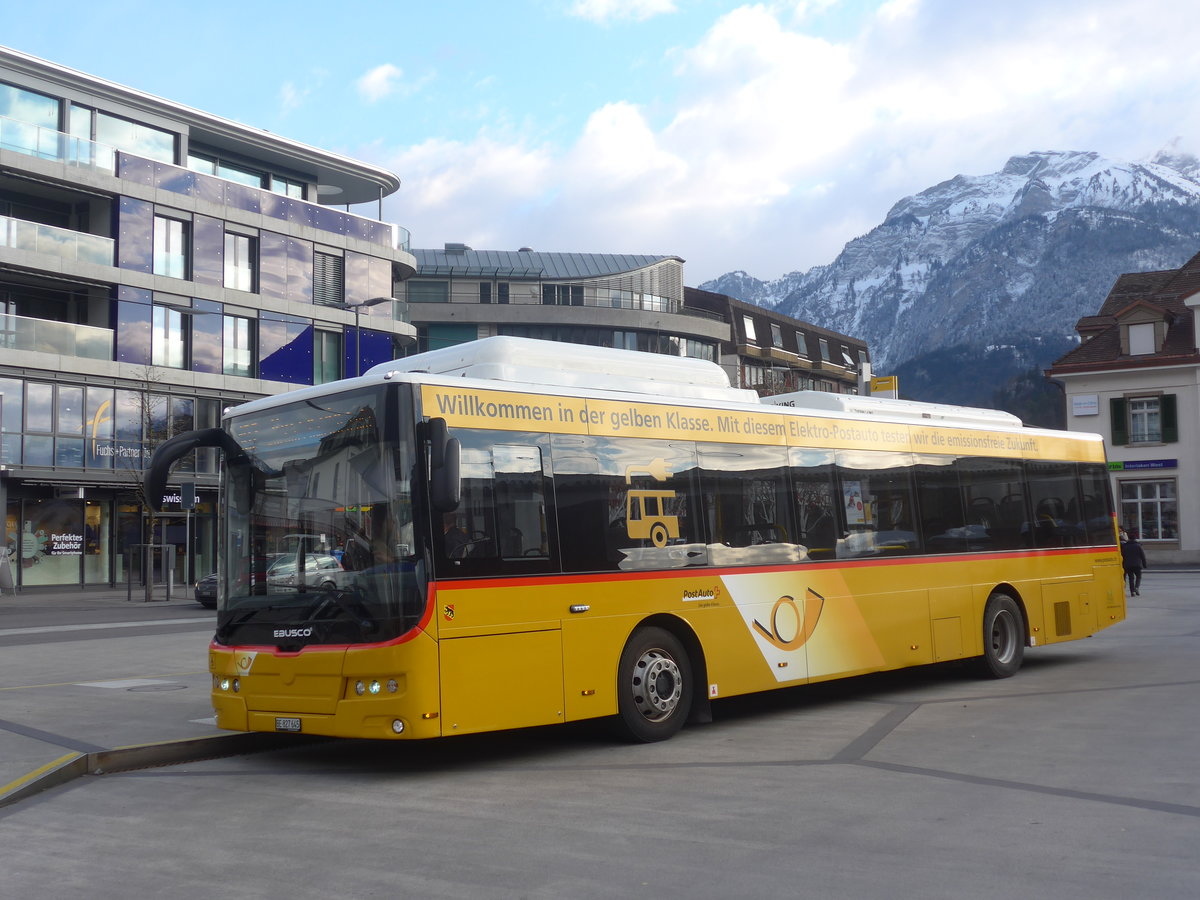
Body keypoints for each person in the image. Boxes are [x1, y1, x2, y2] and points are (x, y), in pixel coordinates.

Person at [1120, 530, 1147, 596]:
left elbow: (1122, 556)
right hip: (1137, 564)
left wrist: (1123, 564)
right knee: (1138, 577)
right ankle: (1136, 587)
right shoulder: (1138, 546)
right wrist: (1144, 564)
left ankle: (1132, 592)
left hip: (1128, 565)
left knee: (1131, 578)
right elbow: (1142, 556)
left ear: (1129, 538)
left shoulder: (1125, 546)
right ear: (1135, 539)